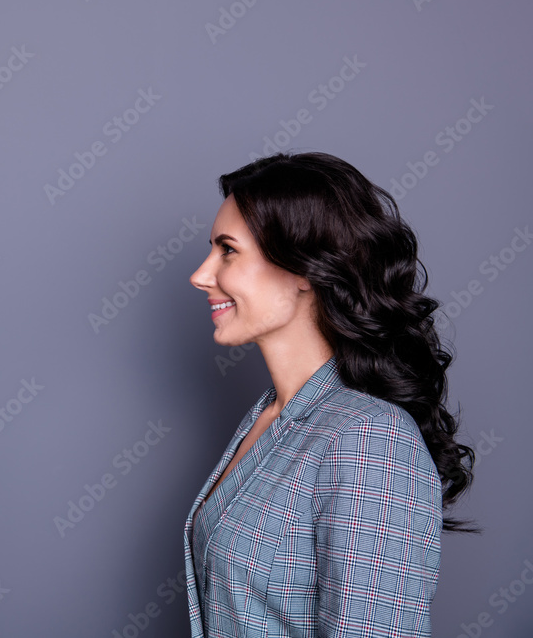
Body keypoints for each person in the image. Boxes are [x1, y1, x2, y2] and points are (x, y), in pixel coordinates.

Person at [183, 152, 475, 638]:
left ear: (303, 270)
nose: (201, 274)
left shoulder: (370, 440)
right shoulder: (269, 417)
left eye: (228, 250)